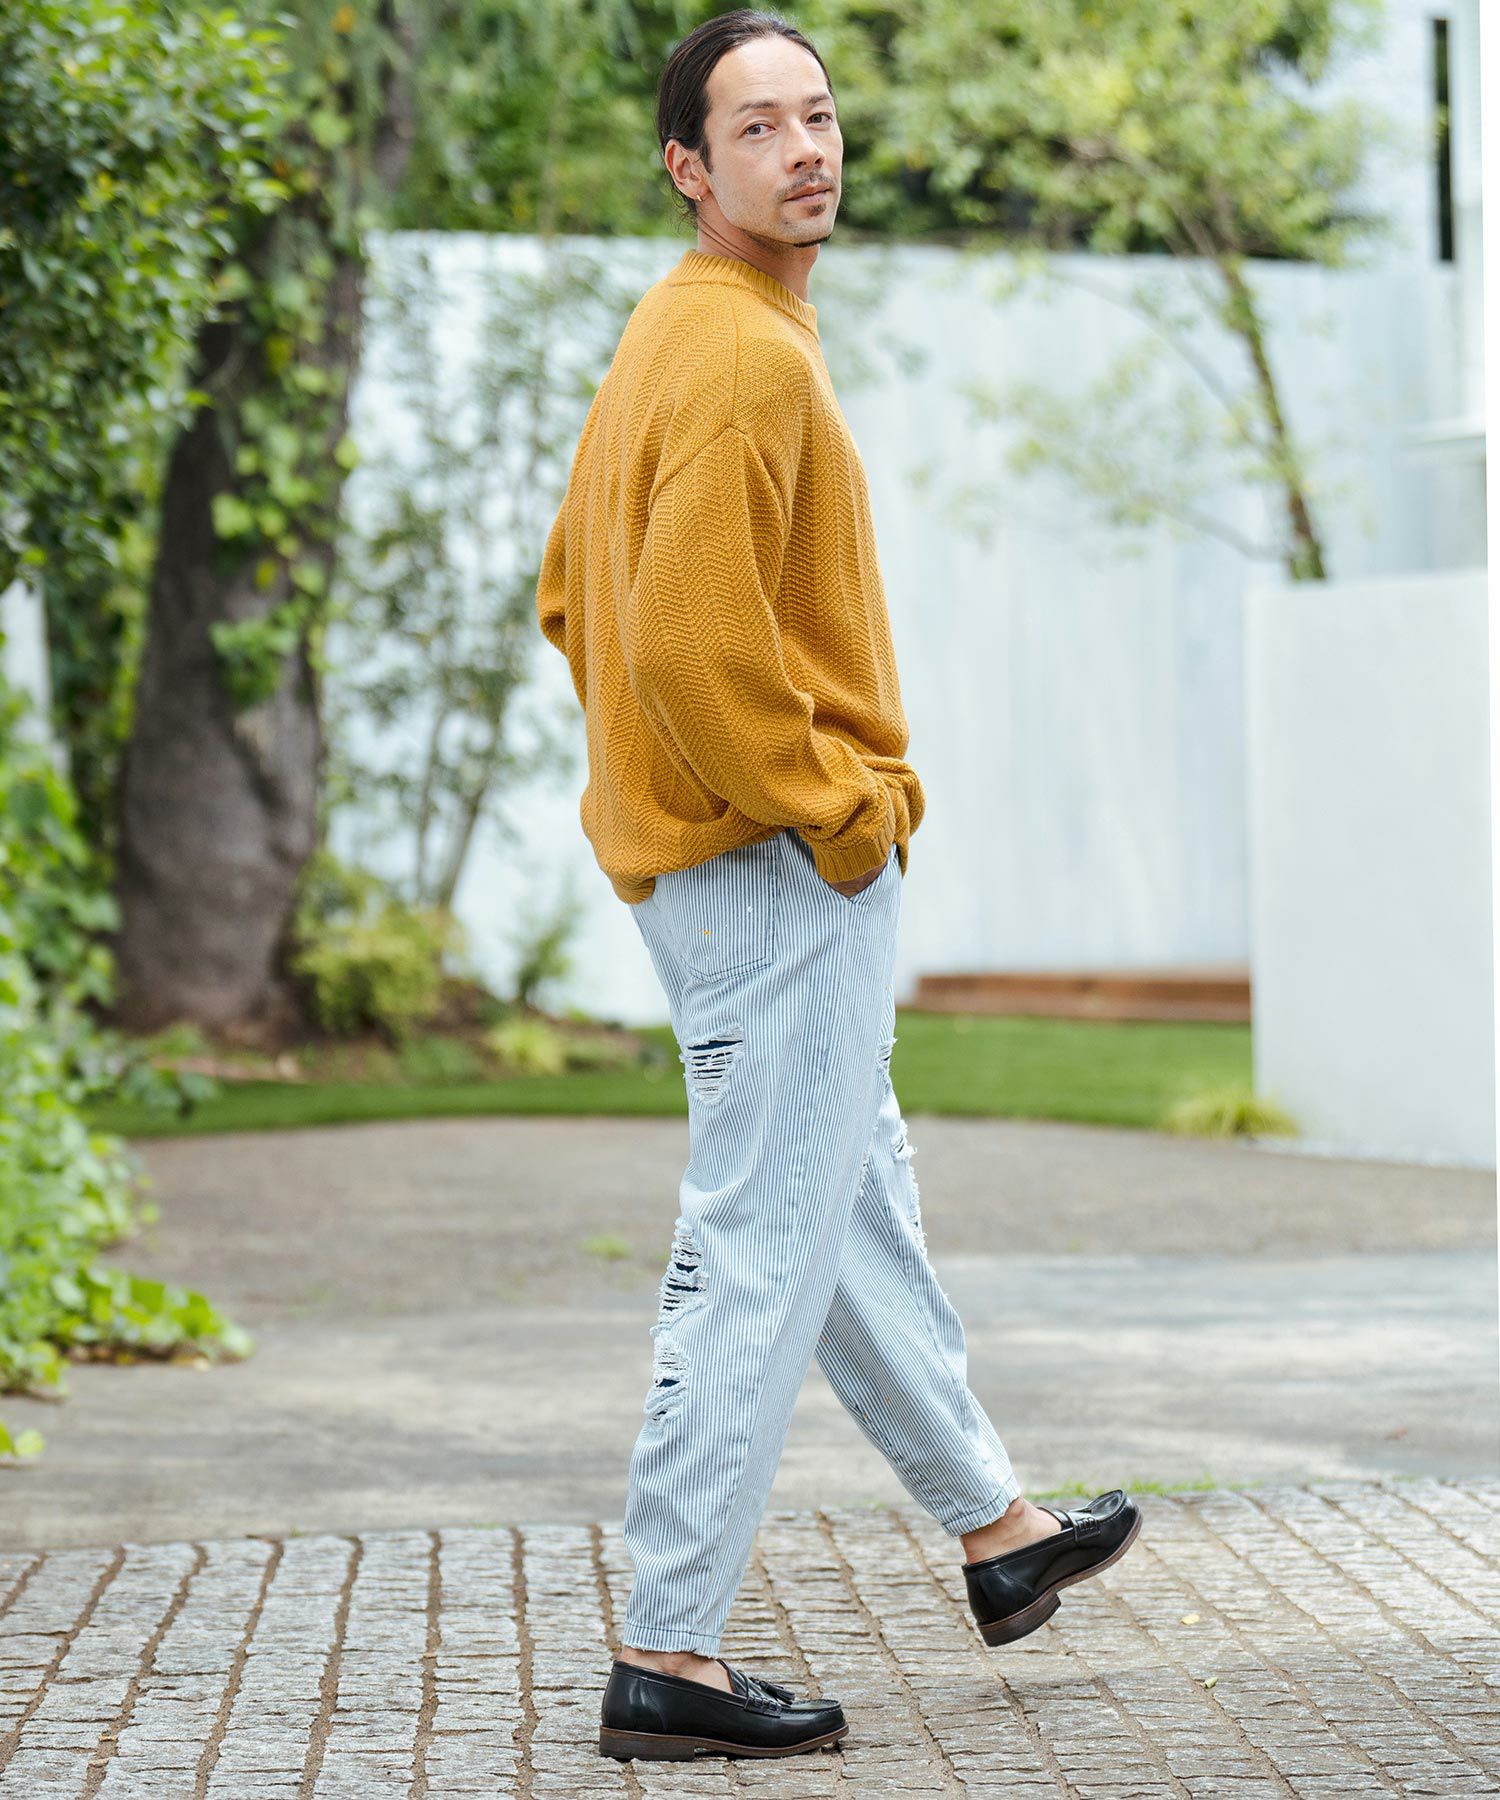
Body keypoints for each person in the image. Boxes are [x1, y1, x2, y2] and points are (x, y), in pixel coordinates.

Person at [533, 7, 1141, 1764]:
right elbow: (685, 646)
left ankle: (997, 1532)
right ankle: (669, 1648)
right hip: (778, 868)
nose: (805, 149)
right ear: (689, 165)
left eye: (818, 115)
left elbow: (574, 593)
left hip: (716, 866)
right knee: (760, 1243)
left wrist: (684, 783)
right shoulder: (745, 361)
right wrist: (836, 808)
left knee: (841, 1204)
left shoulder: (675, 328)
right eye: (758, 127)